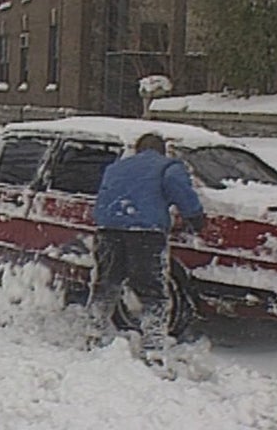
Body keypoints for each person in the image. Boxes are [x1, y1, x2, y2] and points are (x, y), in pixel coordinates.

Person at [89, 132, 205, 374]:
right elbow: (179, 189)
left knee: (107, 284)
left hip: (108, 230)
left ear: (137, 149)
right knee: (153, 291)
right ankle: (152, 348)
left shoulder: (116, 167)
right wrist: (195, 217)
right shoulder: (168, 166)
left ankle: (96, 333)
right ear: (162, 150)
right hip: (145, 233)